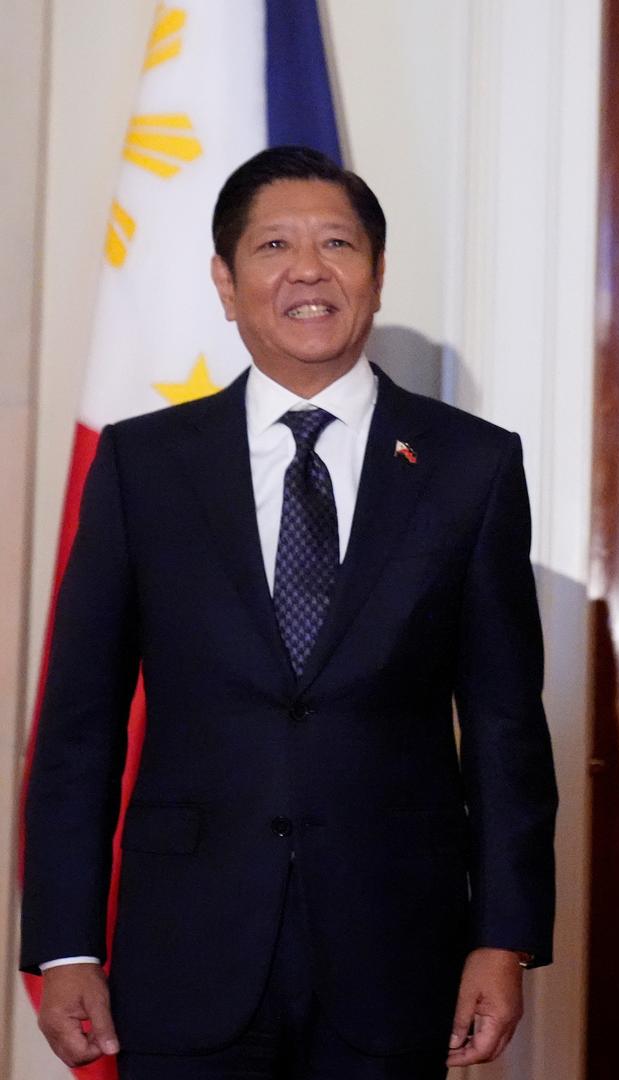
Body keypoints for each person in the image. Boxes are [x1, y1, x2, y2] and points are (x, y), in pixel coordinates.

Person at [20, 146, 558, 1078]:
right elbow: (78, 729)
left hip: (398, 952)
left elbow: (509, 731)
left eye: (338, 245)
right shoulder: (143, 466)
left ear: (377, 278)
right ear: (227, 285)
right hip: (186, 948)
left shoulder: (472, 467)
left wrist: (503, 937)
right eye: (274, 246)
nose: (308, 270)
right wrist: (65, 944)